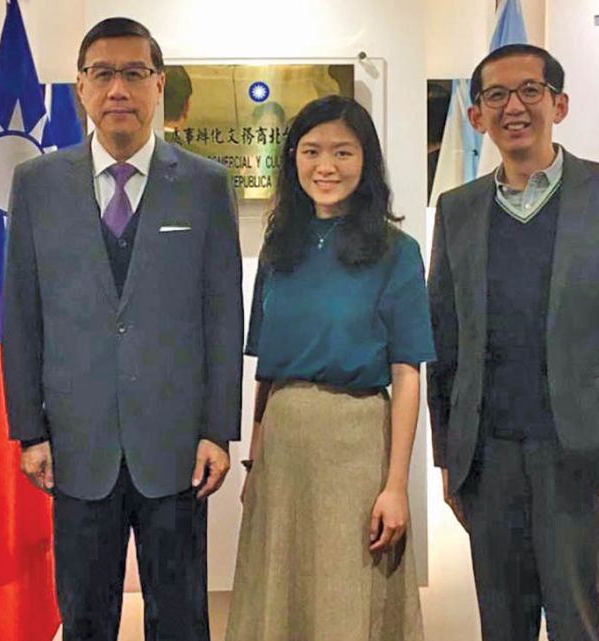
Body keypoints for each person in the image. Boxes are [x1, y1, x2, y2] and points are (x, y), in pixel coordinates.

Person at [427, 44, 599, 641]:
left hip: (580, 454)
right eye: (496, 95)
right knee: (501, 626)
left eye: (529, 90)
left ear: (559, 103)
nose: (514, 106)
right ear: (476, 116)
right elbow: (443, 342)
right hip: (487, 458)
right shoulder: (458, 211)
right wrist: (449, 458)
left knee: (575, 621)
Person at [0, 17, 243, 641]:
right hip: (77, 449)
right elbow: (22, 315)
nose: (118, 89)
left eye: (134, 73)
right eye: (103, 74)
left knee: (182, 616)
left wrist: (219, 429)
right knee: (85, 617)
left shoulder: (204, 185)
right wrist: (29, 430)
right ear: (80, 87)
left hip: (176, 448)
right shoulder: (37, 184)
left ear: (158, 85)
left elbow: (222, 315)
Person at [226, 94, 434, 641]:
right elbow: (266, 372)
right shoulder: (279, 247)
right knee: (281, 594)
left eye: (343, 152)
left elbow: (408, 372)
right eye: (311, 150)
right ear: (292, 158)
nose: (326, 166)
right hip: (284, 449)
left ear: (366, 161)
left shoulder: (397, 250)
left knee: (347, 594)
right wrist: (254, 460)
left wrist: (396, 486)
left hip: (358, 442)